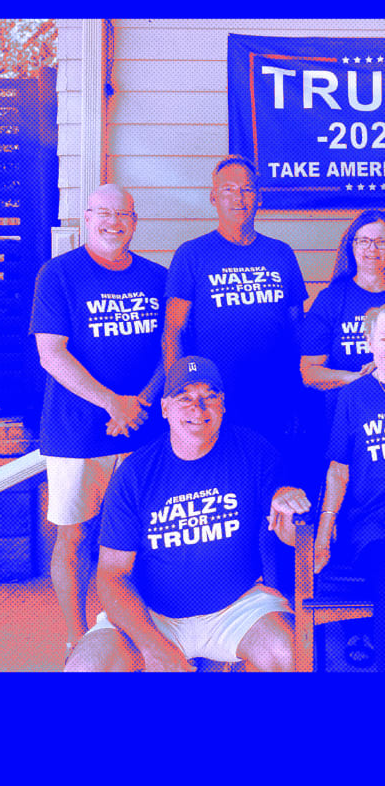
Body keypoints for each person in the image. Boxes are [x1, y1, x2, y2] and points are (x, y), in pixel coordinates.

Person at [64, 356, 306, 672]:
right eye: (185, 398)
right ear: (165, 408)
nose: (198, 408)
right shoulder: (135, 473)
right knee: (86, 668)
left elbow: (289, 534)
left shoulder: (255, 451)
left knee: (290, 655)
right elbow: (111, 575)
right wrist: (152, 646)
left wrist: (290, 505)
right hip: (153, 614)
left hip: (236, 606)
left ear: (223, 405)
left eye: (209, 397)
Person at [29, 184, 166, 658]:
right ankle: (75, 634)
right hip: (76, 432)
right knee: (74, 537)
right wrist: (113, 403)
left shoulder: (157, 277)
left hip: (143, 431)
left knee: (145, 536)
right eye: (104, 213)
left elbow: (168, 353)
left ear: (135, 220)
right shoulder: (59, 274)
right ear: (87, 218)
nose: (114, 222)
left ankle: (138, 626)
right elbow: (51, 354)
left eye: (123, 214)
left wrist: (138, 405)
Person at [162, 156, 305, 451]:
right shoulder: (192, 255)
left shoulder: (281, 254)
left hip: (274, 395)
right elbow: (173, 330)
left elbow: (296, 331)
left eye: (247, 189)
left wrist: (296, 391)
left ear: (259, 197)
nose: (238, 198)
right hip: (215, 401)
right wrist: (178, 396)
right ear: (213, 197)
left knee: (275, 482)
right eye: (228, 189)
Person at [312, 306, 385, 668]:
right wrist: (323, 536)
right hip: (372, 527)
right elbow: (337, 472)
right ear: (370, 343)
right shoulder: (354, 396)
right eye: (384, 337)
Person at [297, 210, 385, 487]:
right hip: (344, 423)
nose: (372, 249)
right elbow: (309, 373)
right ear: (352, 246)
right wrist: (359, 379)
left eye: (381, 241)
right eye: (363, 241)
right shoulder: (332, 299)